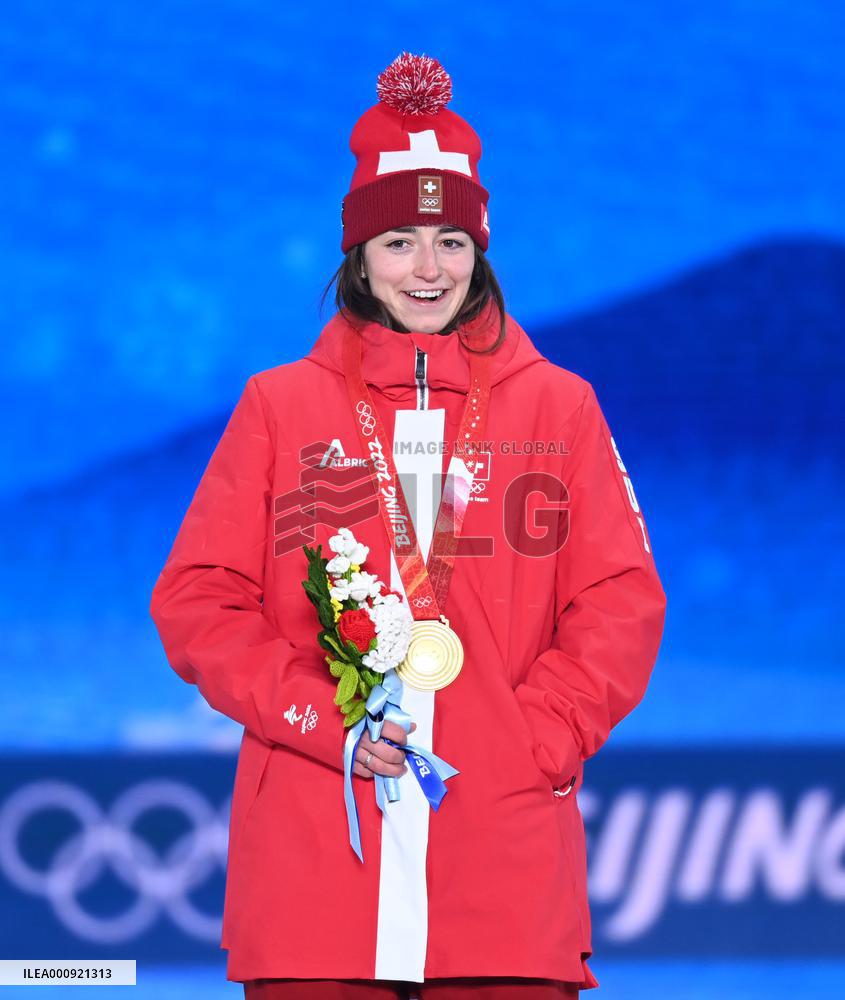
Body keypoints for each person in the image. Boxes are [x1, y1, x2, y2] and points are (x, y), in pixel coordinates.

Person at [149, 52, 667, 1000]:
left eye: (450, 242)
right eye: (398, 243)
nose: (427, 270)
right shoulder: (279, 407)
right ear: (357, 255)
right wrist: (319, 716)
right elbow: (198, 602)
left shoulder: (558, 408)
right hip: (317, 853)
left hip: (501, 854)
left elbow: (619, 599)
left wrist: (536, 735)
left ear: (480, 253)